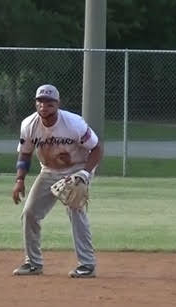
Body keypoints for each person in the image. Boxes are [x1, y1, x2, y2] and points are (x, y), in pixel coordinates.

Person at [11, 84, 105, 278]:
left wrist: (85, 174)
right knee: (29, 213)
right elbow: (25, 154)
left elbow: (96, 148)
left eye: (49, 102)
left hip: (78, 169)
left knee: (75, 210)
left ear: (57, 104)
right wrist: (19, 179)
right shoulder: (29, 125)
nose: (44, 105)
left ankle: (87, 265)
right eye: (40, 101)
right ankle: (33, 263)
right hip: (49, 170)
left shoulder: (73, 123)